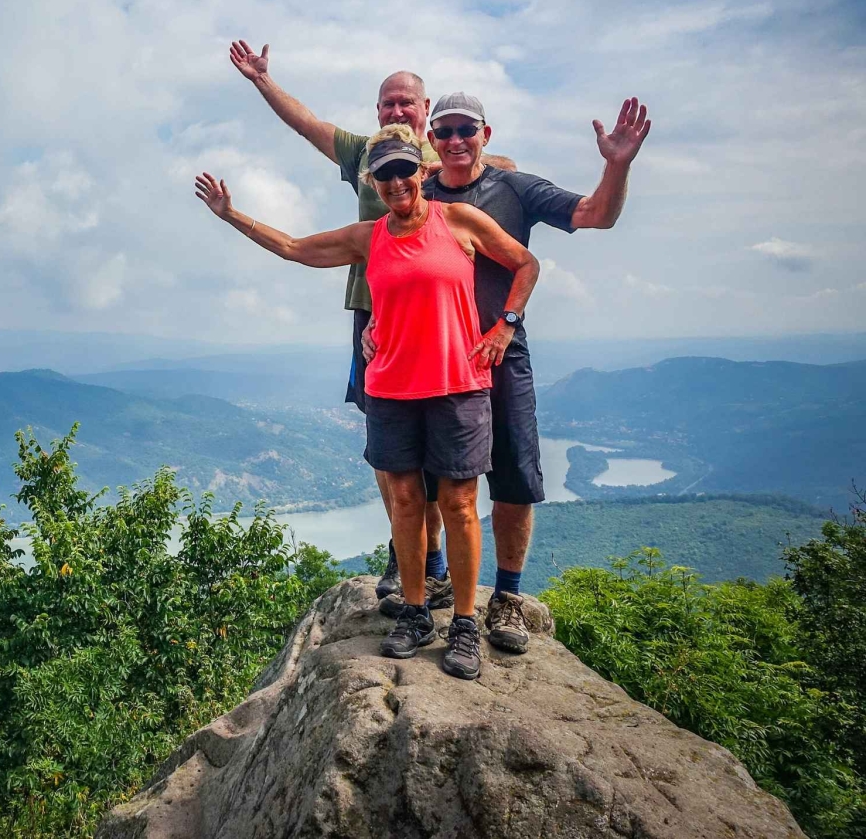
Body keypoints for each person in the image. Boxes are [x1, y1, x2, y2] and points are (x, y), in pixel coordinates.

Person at [193, 125, 540, 681]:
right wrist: (231, 214)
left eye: (404, 169)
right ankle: (416, 612)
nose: (397, 182)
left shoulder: (458, 221)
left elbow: (525, 263)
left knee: (457, 503)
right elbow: (295, 249)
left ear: (421, 171)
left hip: (457, 383)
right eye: (385, 174)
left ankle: (465, 624)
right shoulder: (369, 236)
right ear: (373, 183)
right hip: (392, 387)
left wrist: (505, 325)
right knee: (405, 500)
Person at [227, 42, 517, 611]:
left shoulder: (445, 157)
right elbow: (307, 126)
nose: (396, 110)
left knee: (449, 465)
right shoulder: (366, 152)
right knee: (391, 453)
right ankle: (411, 555)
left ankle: (444, 579)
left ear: (425, 110)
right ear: (377, 111)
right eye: (388, 103)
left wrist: (460, 162)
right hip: (375, 309)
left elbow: (497, 171)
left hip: (440, 318)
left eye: (407, 102)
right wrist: (262, 81)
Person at [367, 91, 651, 654]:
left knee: (515, 475)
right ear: (431, 141)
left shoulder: (514, 188)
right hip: (436, 362)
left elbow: (596, 215)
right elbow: (395, 264)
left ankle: (507, 598)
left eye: (465, 130)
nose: (455, 140)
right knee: (430, 482)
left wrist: (616, 165)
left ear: (485, 134)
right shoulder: (416, 192)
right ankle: (435, 578)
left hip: (500, 353)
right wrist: (378, 320)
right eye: (444, 131)